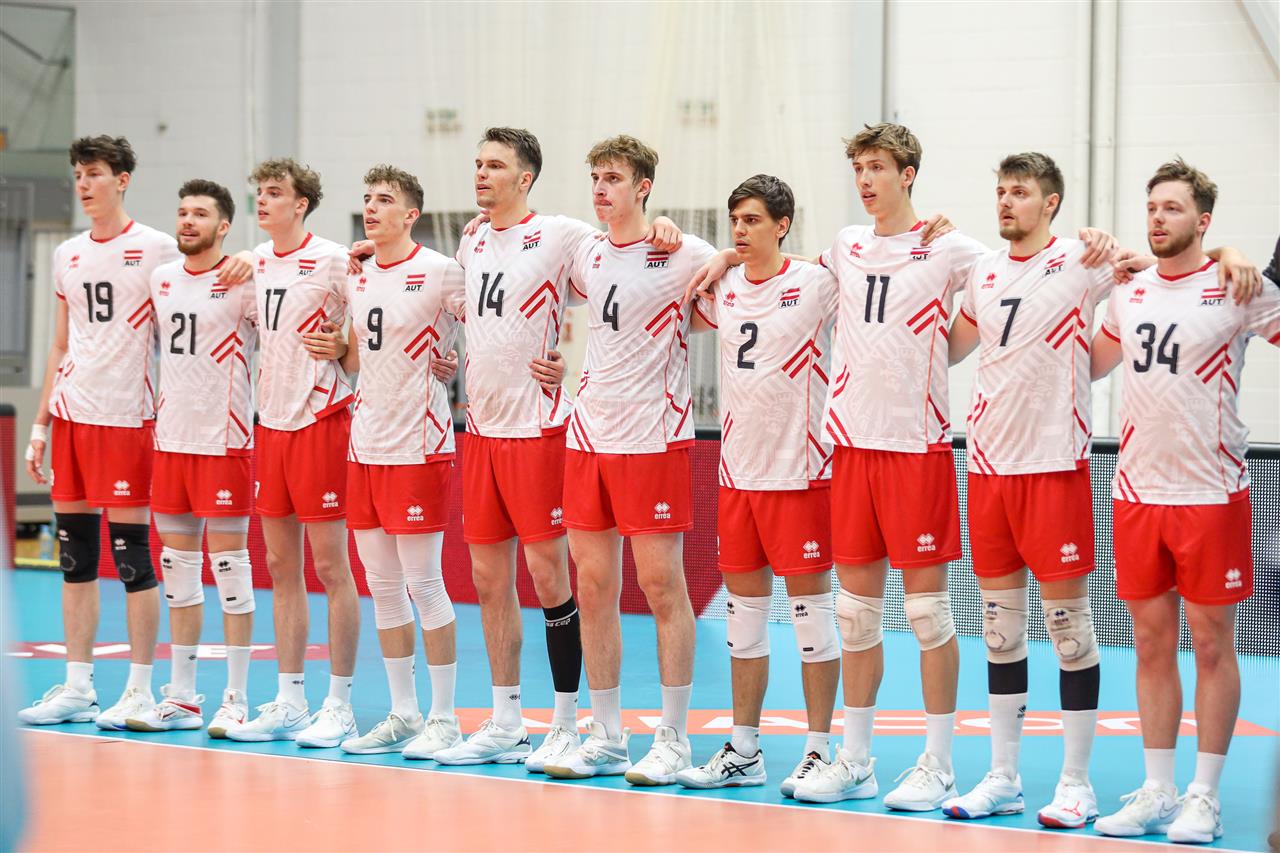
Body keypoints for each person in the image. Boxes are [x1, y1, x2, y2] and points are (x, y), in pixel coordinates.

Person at [432, 128, 682, 769]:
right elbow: (465, 309)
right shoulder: (471, 238)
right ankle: (506, 719)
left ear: (526, 178)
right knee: (488, 580)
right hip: (479, 429)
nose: (481, 174)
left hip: (539, 431)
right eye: (478, 163)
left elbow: (621, 272)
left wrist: (666, 228)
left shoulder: (564, 235)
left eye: (495, 166)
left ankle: (569, 722)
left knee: (550, 577)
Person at [20, 136, 249, 729]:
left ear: (122, 180)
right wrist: (41, 423)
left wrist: (249, 258)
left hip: (128, 419)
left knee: (131, 561)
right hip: (72, 416)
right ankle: (78, 686)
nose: (83, 184)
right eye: (78, 174)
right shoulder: (67, 253)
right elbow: (60, 343)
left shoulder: (156, 248)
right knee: (74, 558)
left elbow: (209, 267)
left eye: (94, 173)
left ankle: (142, 689)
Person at [1090, 159, 1279, 844]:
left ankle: (1205, 795)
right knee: (1149, 643)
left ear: (1202, 221)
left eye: (1172, 208)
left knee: (1210, 642)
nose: (1158, 218)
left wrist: (1236, 255)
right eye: (1152, 208)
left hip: (1211, 493)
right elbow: (1088, 363)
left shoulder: (1238, 286)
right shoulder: (1130, 291)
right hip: (1137, 491)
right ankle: (1158, 788)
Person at [539, 136, 715, 785]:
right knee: (592, 586)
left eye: (613, 177)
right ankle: (608, 735)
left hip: (653, 440)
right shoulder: (586, 251)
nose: (600, 188)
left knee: (663, 585)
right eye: (595, 177)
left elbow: (742, 270)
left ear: (643, 186)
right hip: (589, 436)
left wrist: (696, 240)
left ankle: (673, 738)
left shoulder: (684, 252)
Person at [672, 175, 842, 797]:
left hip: (800, 475)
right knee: (743, 623)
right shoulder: (726, 287)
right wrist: (719, 258)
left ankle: (821, 751)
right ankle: (745, 750)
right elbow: (679, 296)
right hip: (737, 475)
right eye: (735, 221)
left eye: (752, 220)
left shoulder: (817, 283)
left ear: (782, 225)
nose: (740, 231)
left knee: (811, 620)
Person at [307, 166, 466, 757]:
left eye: (385, 200)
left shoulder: (442, 271)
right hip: (365, 443)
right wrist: (335, 347)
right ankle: (404, 712)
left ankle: (444, 717)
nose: (372, 208)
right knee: (383, 585)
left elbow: (490, 326)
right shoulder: (358, 274)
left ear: (410, 215)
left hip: (419, 445)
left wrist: (454, 360)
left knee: (426, 583)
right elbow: (356, 357)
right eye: (367, 199)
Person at [226, 159, 361, 747]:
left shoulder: (334, 259)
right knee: (281, 567)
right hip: (271, 423)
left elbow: (372, 323)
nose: (263, 200)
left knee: (331, 567)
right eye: (260, 192)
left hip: (320, 419)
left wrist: (345, 347)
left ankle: (340, 704)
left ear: (301, 204)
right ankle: (290, 700)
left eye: (275, 192)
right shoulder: (254, 261)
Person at [124, 179, 258, 736]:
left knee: (231, 573)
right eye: (182, 211)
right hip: (171, 441)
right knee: (178, 573)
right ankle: (182, 697)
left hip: (224, 442)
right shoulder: (161, 279)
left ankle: (236, 698)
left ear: (223, 226)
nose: (187, 221)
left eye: (200, 214)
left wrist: (254, 258)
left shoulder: (245, 280)